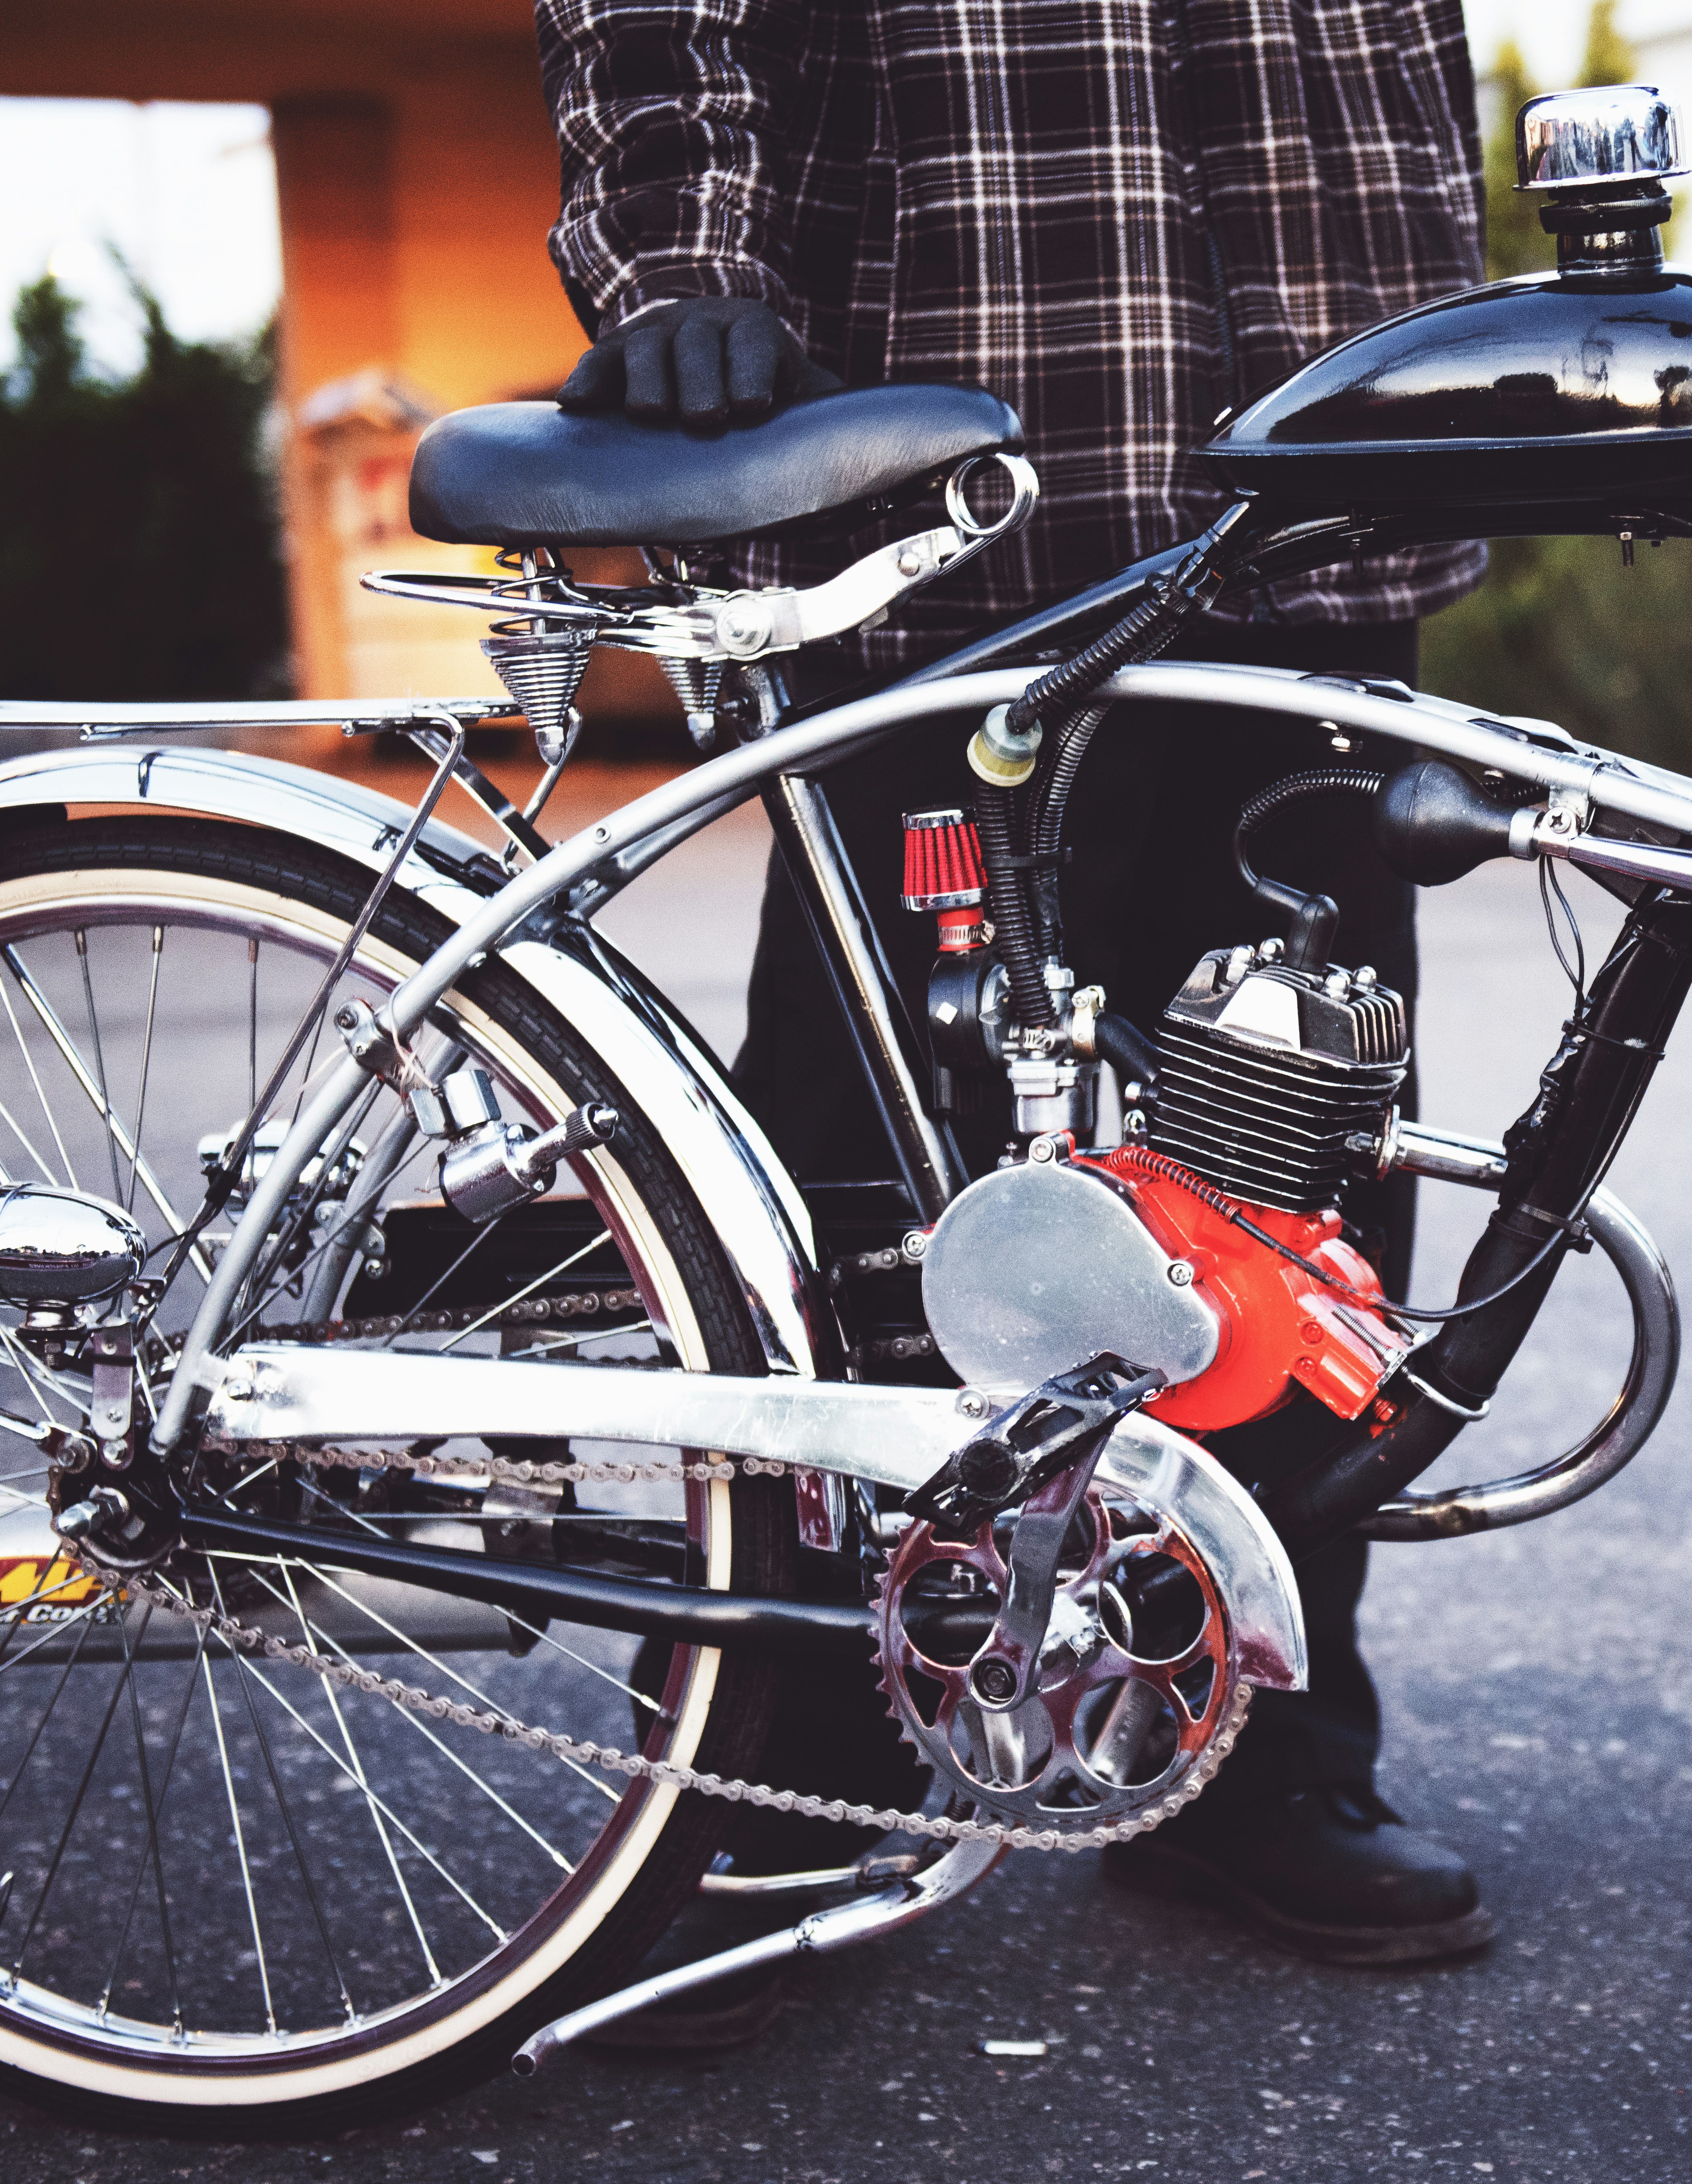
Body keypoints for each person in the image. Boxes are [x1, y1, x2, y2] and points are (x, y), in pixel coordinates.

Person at [535, 0, 1497, 1988]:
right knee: (862, 1173)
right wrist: (682, 263)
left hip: (1320, 456)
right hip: (950, 476)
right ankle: (776, 1755)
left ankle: (1243, 1728)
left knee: (1294, 1158)